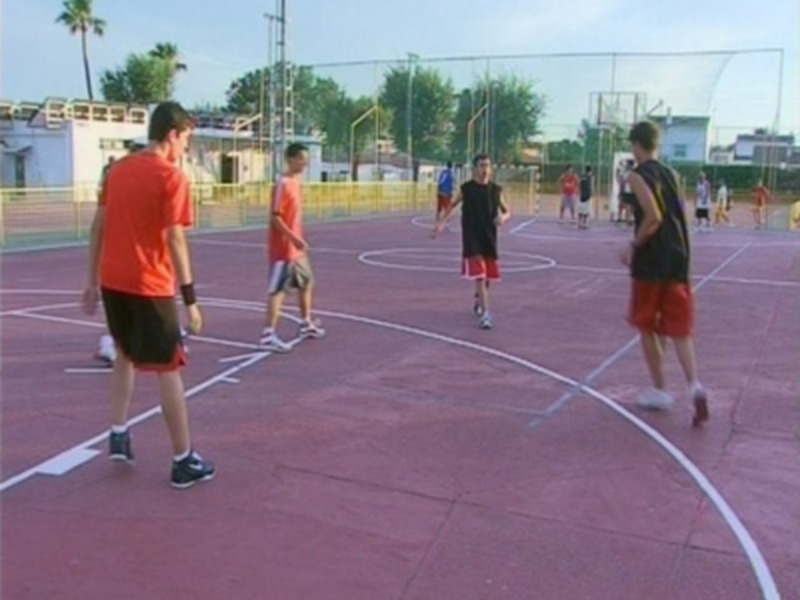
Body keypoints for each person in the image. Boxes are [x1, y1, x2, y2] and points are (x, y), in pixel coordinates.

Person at [82, 101, 215, 488]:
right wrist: (190, 298)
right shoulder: (171, 178)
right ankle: (182, 459)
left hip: (113, 281)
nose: (186, 148)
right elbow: (175, 237)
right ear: (172, 134)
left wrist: (90, 281)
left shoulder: (117, 171)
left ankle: (119, 431)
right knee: (170, 368)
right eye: (187, 138)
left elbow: (97, 228)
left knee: (124, 352)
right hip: (149, 284)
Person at [619, 120, 709, 427]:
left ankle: (660, 389)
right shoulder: (672, 174)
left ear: (636, 145)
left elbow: (654, 217)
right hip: (679, 256)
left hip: (652, 260)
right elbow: (674, 216)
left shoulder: (637, 175)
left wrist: (633, 244)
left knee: (645, 323)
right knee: (679, 329)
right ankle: (695, 385)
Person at [259, 143, 326, 352]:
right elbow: (275, 217)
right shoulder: (283, 184)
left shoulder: (297, 183)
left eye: (306, 159)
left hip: (296, 249)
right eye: (300, 159)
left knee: (307, 281)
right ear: (290, 159)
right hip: (283, 249)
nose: (304, 163)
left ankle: (306, 323)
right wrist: (292, 238)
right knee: (278, 290)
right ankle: (268, 333)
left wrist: (298, 241)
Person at [432, 154, 510, 330]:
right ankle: (486, 314)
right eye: (482, 166)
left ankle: (479, 299)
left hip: (489, 238)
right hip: (472, 238)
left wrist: (502, 217)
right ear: (475, 168)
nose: (485, 169)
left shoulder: (496, 190)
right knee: (480, 276)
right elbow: (452, 206)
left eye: (488, 166)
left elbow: (507, 211)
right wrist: (441, 224)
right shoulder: (467, 189)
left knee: (487, 278)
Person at [436, 161, 455, 226]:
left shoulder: (445, 173)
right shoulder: (449, 174)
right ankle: (446, 218)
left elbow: (440, 182)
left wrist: (439, 189)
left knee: (440, 205)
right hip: (446, 192)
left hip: (443, 192)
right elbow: (447, 183)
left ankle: (439, 217)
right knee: (446, 205)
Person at [578, 165, 593, 229]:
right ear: (590, 171)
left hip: (582, 195)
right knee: (586, 210)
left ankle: (580, 222)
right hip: (587, 195)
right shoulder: (589, 177)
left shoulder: (582, 177)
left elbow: (580, 185)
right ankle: (584, 222)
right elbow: (589, 187)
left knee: (581, 209)